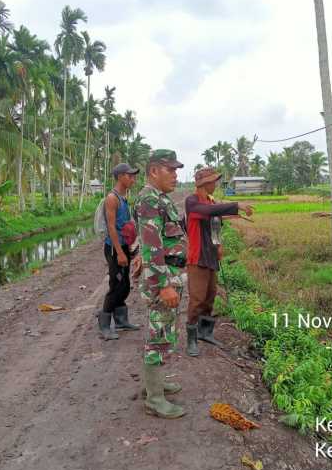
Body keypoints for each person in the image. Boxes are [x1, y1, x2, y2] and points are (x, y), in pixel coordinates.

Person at [135, 149, 187, 418]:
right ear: (154, 171)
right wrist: (163, 285)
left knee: (165, 331)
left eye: (177, 170)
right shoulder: (149, 200)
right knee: (157, 335)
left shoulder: (159, 198)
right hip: (162, 278)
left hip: (171, 274)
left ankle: (154, 384)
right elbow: (152, 246)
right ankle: (154, 399)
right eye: (171, 170)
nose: (176, 175)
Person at [184, 167, 253, 356]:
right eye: (214, 181)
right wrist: (236, 205)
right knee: (197, 299)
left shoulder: (211, 200)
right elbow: (207, 211)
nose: (215, 184)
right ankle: (191, 339)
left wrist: (219, 245)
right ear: (205, 183)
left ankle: (205, 332)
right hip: (197, 257)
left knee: (210, 296)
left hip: (211, 255)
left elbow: (215, 224)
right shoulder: (192, 201)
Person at [98, 163, 141, 341]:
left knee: (124, 286)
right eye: (130, 176)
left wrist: (131, 248)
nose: (133, 179)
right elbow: (111, 227)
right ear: (121, 176)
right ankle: (105, 325)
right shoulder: (112, 198)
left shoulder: (124, 197)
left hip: (123, 247)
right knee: (116, 287)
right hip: (115, 248)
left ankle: (121, 320)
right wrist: (120, 252)